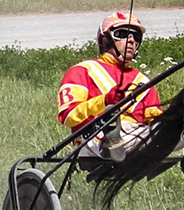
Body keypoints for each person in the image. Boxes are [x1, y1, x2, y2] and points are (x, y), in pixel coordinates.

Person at [57, 11, 164, 160]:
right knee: (119, 128)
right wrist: (105, 101)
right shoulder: (82, 71)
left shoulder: (143, 81)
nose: (132, 40)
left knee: (179, 127)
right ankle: (113, 139)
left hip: (138, 135)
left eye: (136, 36)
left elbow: (155, 119)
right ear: (106, 40)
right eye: (123, 34)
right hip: (92, 138)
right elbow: (68, 116)